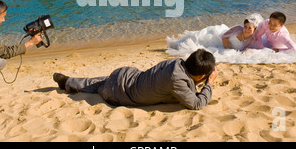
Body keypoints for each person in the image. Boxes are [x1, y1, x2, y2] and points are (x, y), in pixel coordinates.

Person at [53, 49, 218, 110]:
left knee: (97, 83)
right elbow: (196, 103)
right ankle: (68, 83)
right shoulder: (178, 81)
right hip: (118, 93)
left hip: (125, 75)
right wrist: (209, 84)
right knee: (99, 87)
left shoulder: (176, 63)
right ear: (202, 75)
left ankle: (66, 81)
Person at [166, 13, 264, 58]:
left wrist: (249, 50)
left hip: (225, 46)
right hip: (216, 36)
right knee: (197, 39)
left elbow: (261, 48)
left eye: (249, 28)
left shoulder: (253, 39)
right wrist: (227, 49)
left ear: (255, 29)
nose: (246, 30)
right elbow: (224, 37)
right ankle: (177, 42)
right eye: (245, 26)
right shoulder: (238, 29)